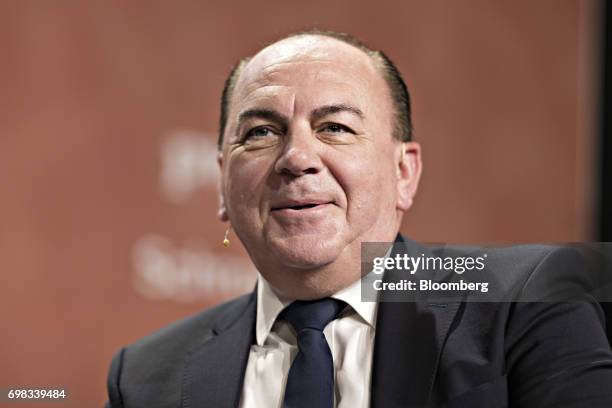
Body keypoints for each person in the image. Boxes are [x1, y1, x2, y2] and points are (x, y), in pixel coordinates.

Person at [105, 30, 612, 408]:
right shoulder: (145, 378)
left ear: (403, 173)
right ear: (222, 184)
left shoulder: (527, 298)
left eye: (335, 127)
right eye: (261, 132)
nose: (296, 156)